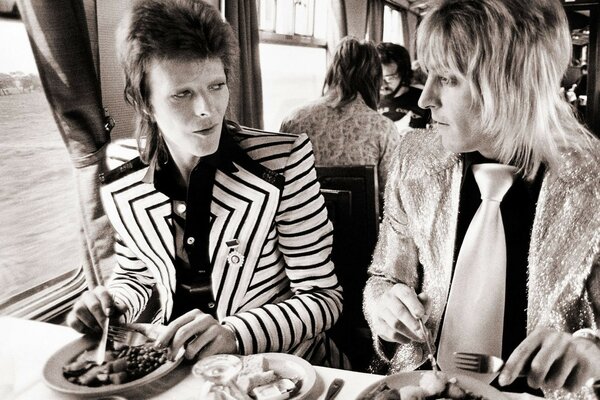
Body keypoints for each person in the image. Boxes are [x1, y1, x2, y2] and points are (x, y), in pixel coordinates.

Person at [66, 0, 349, 369]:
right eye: (182, 94)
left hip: (279, 366)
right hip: (173, 365)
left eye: (216, 86)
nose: (208, 109)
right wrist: (112, 304)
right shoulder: (123, 174)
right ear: (145, 102)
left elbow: (322, 297)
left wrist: (235, 333)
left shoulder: (282, 162)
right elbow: (136, 273)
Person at [363, 0, 600, 398]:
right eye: (428, 75)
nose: (425, 99)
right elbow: (384, 277)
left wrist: (591, 351)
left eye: (449, 79)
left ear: (511, 84)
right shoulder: (414, 159)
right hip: (424, 386)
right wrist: (385, 307)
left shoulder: (592, 180)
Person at [280, 36, 400, 207]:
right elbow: (390, 196)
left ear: (332, 71)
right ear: (374, 78)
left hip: (302, 227)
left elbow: (282, 183)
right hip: (360, 230)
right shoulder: (383, 128)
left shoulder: (293, 120)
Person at [376, 42, 430, 130]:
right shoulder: (369, 99)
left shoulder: (424, 100)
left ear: (404, 74)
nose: (382, 84)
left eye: (389, 78)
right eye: (377, 77)